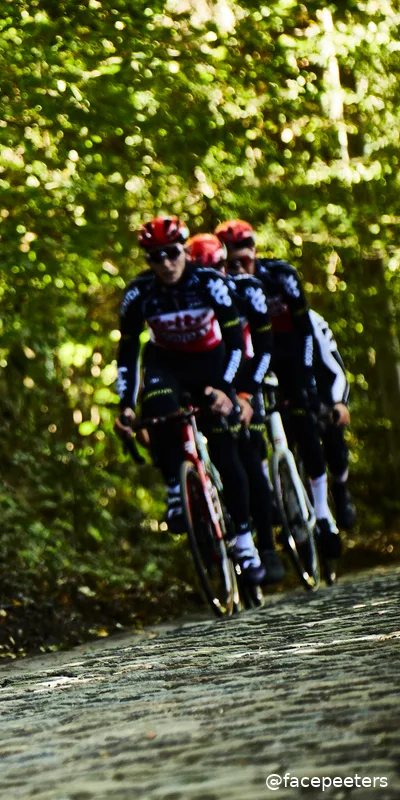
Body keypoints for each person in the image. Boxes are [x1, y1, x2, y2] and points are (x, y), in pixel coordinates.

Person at [115, 216, 265, 584]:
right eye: (155, 257)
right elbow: (127, 352)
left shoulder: (210, 283)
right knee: (160, 413)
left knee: (227, 451)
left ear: (184, 251)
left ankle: (245, 540)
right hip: (165, 363)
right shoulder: (139, 294)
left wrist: (226, 389)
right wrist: (125, 405)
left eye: (171, 253)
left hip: (211, 363)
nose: (165, 263)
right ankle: (174, 486)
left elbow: (236, 343)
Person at [215, 220, 342, 561]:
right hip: (253, 353)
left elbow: (304, 330)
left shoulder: (281, 276)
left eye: (242, 259)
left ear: (254, 252)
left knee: (304, 420)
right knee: (248, 429)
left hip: (289, 350)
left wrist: (303, 379)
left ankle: (323, 514)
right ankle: (270, 499)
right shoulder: (221, 285)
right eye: (229, 262)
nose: (237, 267)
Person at [186, 234, 285, 584]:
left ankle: (269, 548)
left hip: (245, 375)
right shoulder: (184, 295)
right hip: (210, 381)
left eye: (214, 269)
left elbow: (264, 348)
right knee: (225, 457)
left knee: (249, 453)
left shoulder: (247, 290)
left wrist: (245, 393)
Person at [310, 309, 356, 528]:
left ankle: (340, 490)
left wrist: (338, 402)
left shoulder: (313, 320)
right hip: (288, 391)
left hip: (322, 388)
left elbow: (337, 370)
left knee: (332, 433)